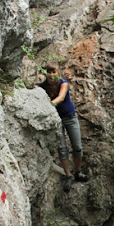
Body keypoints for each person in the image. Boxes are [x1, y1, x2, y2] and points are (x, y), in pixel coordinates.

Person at [38, 64, 90, 192]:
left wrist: (48, 104)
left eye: (54, 71)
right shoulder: (41, 88)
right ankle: (69, 176)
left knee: (77, 146)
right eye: (48, 72)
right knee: (62, 149)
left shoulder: (63, 83)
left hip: (70, 117)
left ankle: (78, 172)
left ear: (58, 72)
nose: (51, 74)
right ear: (45, 74)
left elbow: (61, 98)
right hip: (56, 120)